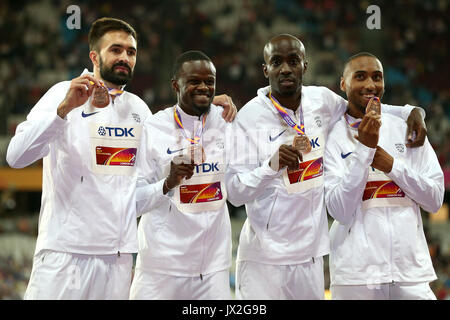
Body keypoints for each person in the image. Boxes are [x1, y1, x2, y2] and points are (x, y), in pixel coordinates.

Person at [6, 18, 236, 300]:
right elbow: (16, 156)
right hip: (65, 253)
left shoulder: (138, 109)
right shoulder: (63, 93)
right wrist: (63, 110)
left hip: (118, 257)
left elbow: (168, 144)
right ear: (94, 56)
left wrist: (204, 101)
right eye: (116, 50)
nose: (124, 57)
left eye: (131, 51)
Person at [225, 34, 427, 300]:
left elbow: (361, 105)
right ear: (266, 69)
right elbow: (235, 193)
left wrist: (411, 111)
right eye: (276, 62)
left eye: (293, 61)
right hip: (264, 259)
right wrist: (270, 166)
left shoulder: (322, 101)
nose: (285, 68)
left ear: (304, 66)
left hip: (311, 256)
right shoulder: (247, 118)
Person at [324, 52, 444, 300]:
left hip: (410, 272)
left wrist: (392, 166)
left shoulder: (408, 130)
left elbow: (434, 199)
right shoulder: (331, 136)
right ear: (343, 84)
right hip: (356, 275)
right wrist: (364, 151)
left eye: (377, 77)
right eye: (360, 77)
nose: (370, 85)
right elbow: (340, 211)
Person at [129, 51, 233, 300]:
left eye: (210, 81)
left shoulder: (227, 121)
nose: (204, 87)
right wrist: (167, 184)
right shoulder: (154, 128)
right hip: (160, 269)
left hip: (212, 270)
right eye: (194, 81)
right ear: (176, 85)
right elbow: (132, 201)